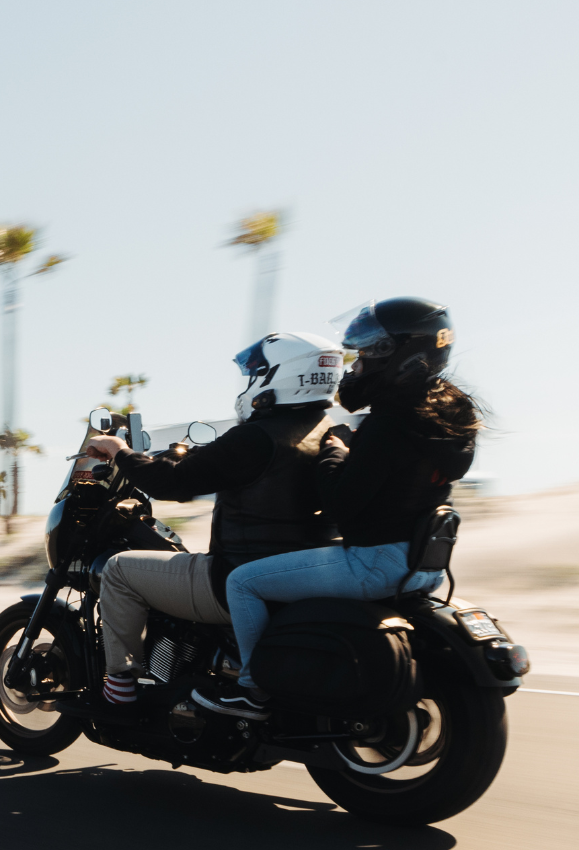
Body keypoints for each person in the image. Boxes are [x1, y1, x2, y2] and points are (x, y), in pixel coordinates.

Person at [192, 297, 480, 720]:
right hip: (424, 567)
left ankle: (253, 691)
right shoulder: (453, 416)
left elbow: (341, 503)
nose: (357, 364)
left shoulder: (389, 424)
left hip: (374, 561)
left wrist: (336, 449)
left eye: (367, 352)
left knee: (242, 582)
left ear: (400, 354)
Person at [81, 332, 344, 712]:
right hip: (302, 576)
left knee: (120, 570)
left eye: (257, 372)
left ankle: (119, 687)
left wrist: (120, 451)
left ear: (283, 376)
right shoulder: (328, 431)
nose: (252, 381)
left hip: (236, 576)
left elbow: (171, 483)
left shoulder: (256, 437)